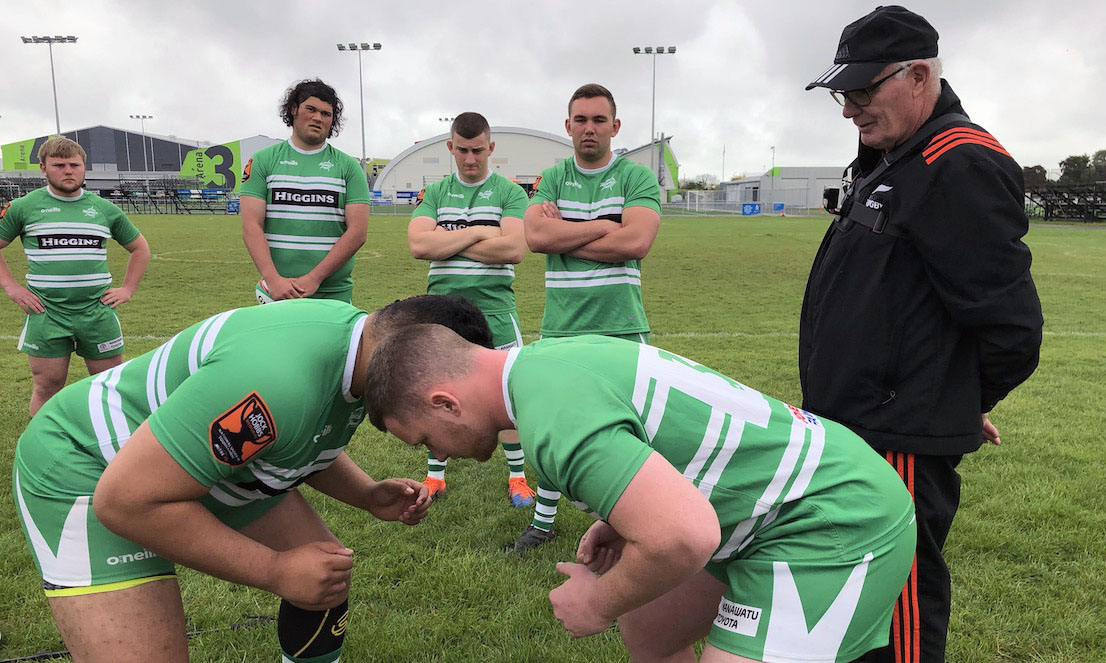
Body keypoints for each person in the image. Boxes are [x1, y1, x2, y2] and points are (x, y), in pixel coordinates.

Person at [364, 326, 918, 662]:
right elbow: (656, 431)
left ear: (444, 402)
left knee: (627, 603)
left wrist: (595, 605)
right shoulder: (544, 364)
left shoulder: (553, 424)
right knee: (650, 628)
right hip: (784, 501)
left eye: (424, 440)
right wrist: (624, 507)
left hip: (828, 519)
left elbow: (683, 536)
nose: (436, 452)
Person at [12, 295, 494, 663]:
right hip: (90, 467)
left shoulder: (363, 352)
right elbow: (125, 502)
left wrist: (366, 494)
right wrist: (274, 571)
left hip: (205, 464)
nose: (437, 450)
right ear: (430, 386)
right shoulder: (278, 378)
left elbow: (299, 433)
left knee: (324, 581)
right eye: (448, 432)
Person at [801, 6, 1044, 662]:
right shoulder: (894, 155)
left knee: (897, 614)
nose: (848, 109)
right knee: (857, 601)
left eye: (859, 91)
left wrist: (951, 398)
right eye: (841, 94)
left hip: (897, 440)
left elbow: (1013, 328)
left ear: (916, 76)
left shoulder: (956, 162)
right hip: (858, 429)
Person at [517, 83, 661, 551]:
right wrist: (604, 225)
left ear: (615, 126)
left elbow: (635, 243)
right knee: (554, 422)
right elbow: (536, 237)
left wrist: (568, 231)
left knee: (636, 425)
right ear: (567, 126)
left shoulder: (637, 178)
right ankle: (542, 521)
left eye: (599, 120)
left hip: (623, 323)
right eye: (580, 120)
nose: (589, 129)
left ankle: (636, 521)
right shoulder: (552, 176)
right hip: (564, 326)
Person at [408, 112, 536, 508]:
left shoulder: (510, 193)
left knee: (505, 396)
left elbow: (514, 249)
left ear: (491, 148)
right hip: (441, 310)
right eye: (462, 150)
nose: (469, 158)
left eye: (477, 150)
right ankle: (434, 478)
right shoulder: (436, 193)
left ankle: (517, 479)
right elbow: (418, 246)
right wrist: (482, 231)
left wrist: (447, 238)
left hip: (495, 309)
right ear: (450, 147)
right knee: (436, 393)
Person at [0, 136, 150, 417]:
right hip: (47, 312)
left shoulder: (104, 209)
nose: (68, 171)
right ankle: (41, 447)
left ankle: (110, 445)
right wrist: (11, 287)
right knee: (47, 385)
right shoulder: (23, 207)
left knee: (110, 385)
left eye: (74, 165)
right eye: (59, 165)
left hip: (97, 311)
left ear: (84, 167)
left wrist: (127, 288)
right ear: (43, 168)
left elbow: (140, 248)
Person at [241, 79, 371, 305]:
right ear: (293, 110)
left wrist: (314, 278)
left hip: (333, 294)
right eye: (310, 109)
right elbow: (251, 226)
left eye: (326, 114)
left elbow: (358, 232)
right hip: (277, 292)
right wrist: (273, 280)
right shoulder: (262, 161)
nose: (318, 118)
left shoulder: (349, 167)